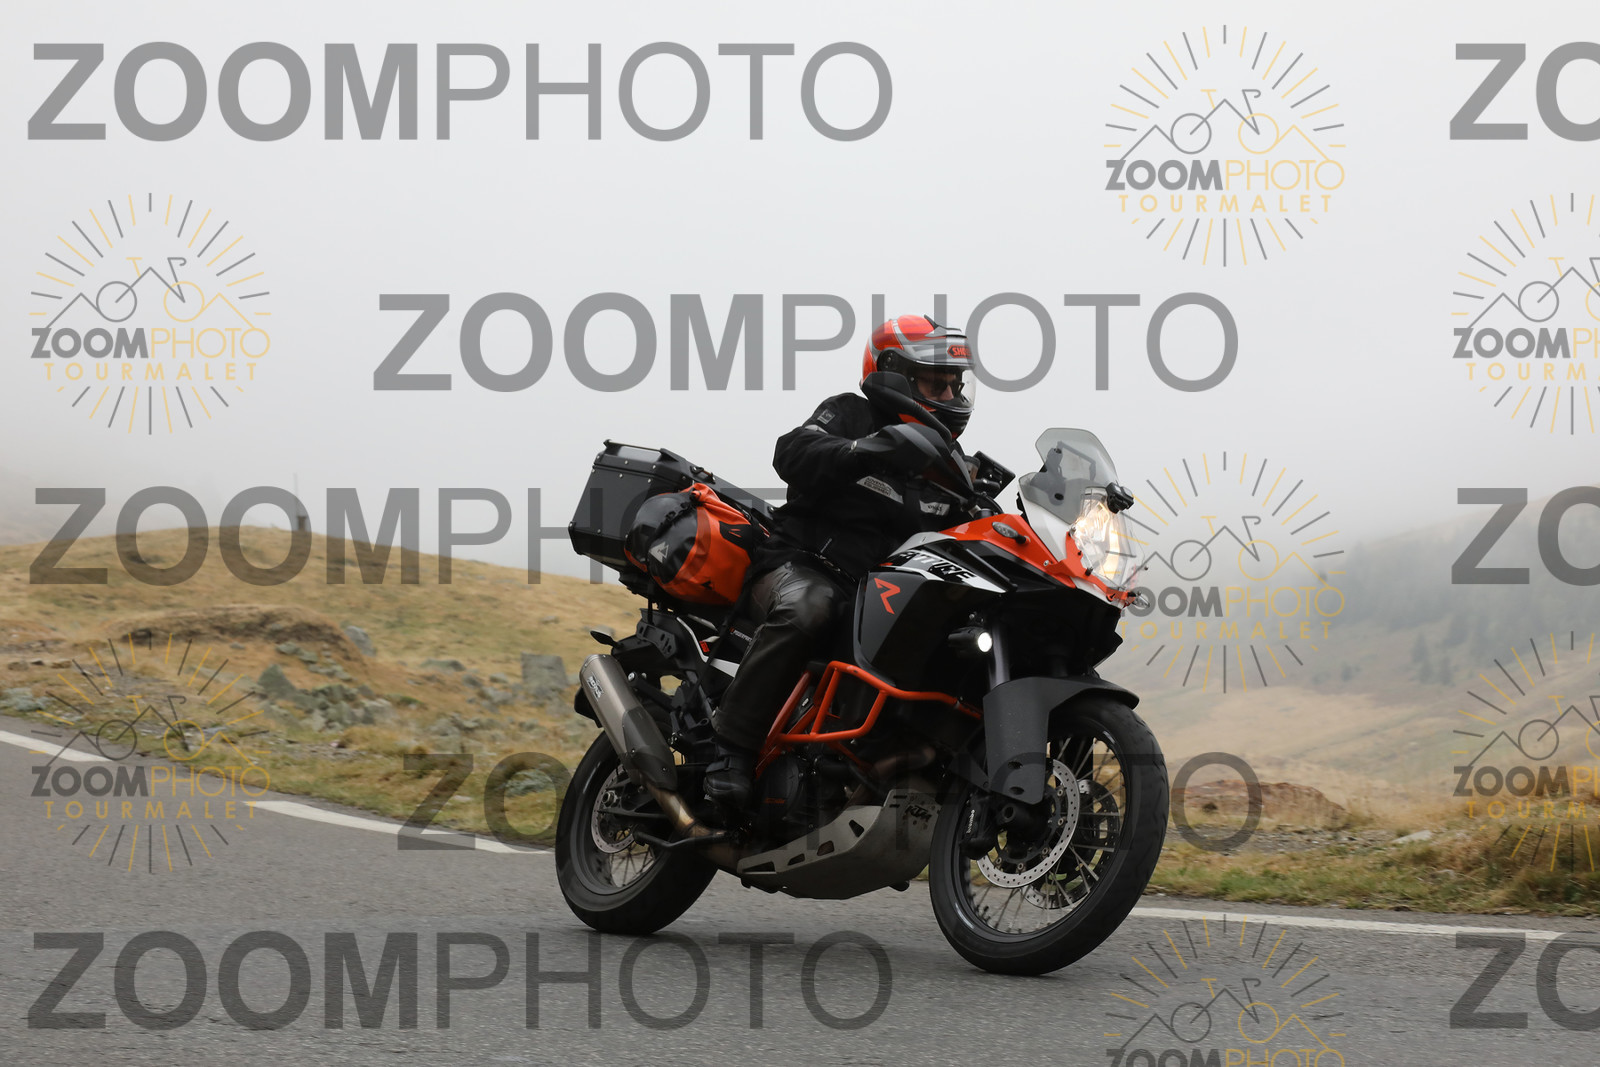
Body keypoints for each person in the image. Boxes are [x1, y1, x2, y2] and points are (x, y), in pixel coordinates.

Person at [704, 313, 979, 807]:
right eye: (935, 383)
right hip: (801, 565)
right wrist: (862, 450)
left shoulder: (948, 466)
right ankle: (731, 749)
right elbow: (793, 452)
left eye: (954, 385)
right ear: (894, 375)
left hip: (877, 594)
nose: (949, 395)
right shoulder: (851, 413)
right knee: (810, 607)